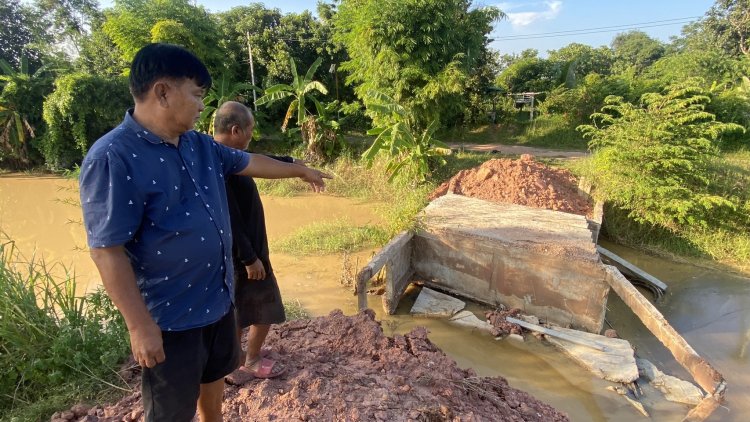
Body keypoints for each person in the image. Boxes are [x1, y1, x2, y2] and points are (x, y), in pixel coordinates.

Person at [78, 43, 331, 422]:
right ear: (163, 91)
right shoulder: (114, 156)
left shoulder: (200, 145)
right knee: (170, 411)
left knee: (213, 383)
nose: (201, 106)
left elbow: (250, 162)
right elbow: (106, 250)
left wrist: (299, 169)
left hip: (218, 303)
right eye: (196, 95)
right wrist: (139, 326)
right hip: (170, 319)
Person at [212, 101, 294, 382]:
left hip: (242, 253)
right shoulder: (225, 168)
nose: (251, 136)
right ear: (236, 130)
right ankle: (249, 362)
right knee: (262, 308)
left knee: (239, 308)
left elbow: (262, 158)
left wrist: (294, 164)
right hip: (245, 256)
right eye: (250, 130)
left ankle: (236, 364)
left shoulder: (223, 157)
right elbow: (230, 218)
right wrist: (249, 257)